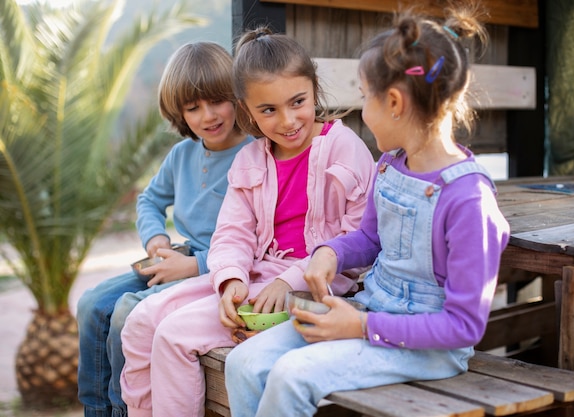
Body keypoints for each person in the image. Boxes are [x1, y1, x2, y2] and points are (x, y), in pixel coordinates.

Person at [224, 5, 512, 417]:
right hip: (371, 310)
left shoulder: (469, 200)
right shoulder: (390, 165)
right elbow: (370, 239)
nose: (361, 111)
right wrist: (331, 252)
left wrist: (360, 327)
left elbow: (464, 326)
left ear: (394, 102)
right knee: (243, 362)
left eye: (364, 99)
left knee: (290, 376)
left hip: (428, 348)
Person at [118, 26, 376, 417]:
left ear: (314, 90)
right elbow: (232, 234)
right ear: (247, 110)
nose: (288, 121)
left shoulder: (344, 148)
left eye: (297, 102)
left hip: (314, 287)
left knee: (172, 336)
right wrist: (230, 279)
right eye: (268, 110)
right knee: (139, 321)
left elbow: (357, 241)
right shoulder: (251, 159)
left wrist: (285, 281)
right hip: (255, 275)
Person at [76, 41, 254, 417]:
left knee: (125, 312)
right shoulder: (182, 155)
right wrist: (157, 240)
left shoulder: (254, 155)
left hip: (220, 270)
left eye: (217, 100)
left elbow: (257, 239)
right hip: (179, 256)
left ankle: (123, 409)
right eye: (193, 107)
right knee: (92, 304)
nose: (208, 115)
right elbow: (149, 201)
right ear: (179, 112)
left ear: (237, 97)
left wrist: (193, 266)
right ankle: (96, 410)